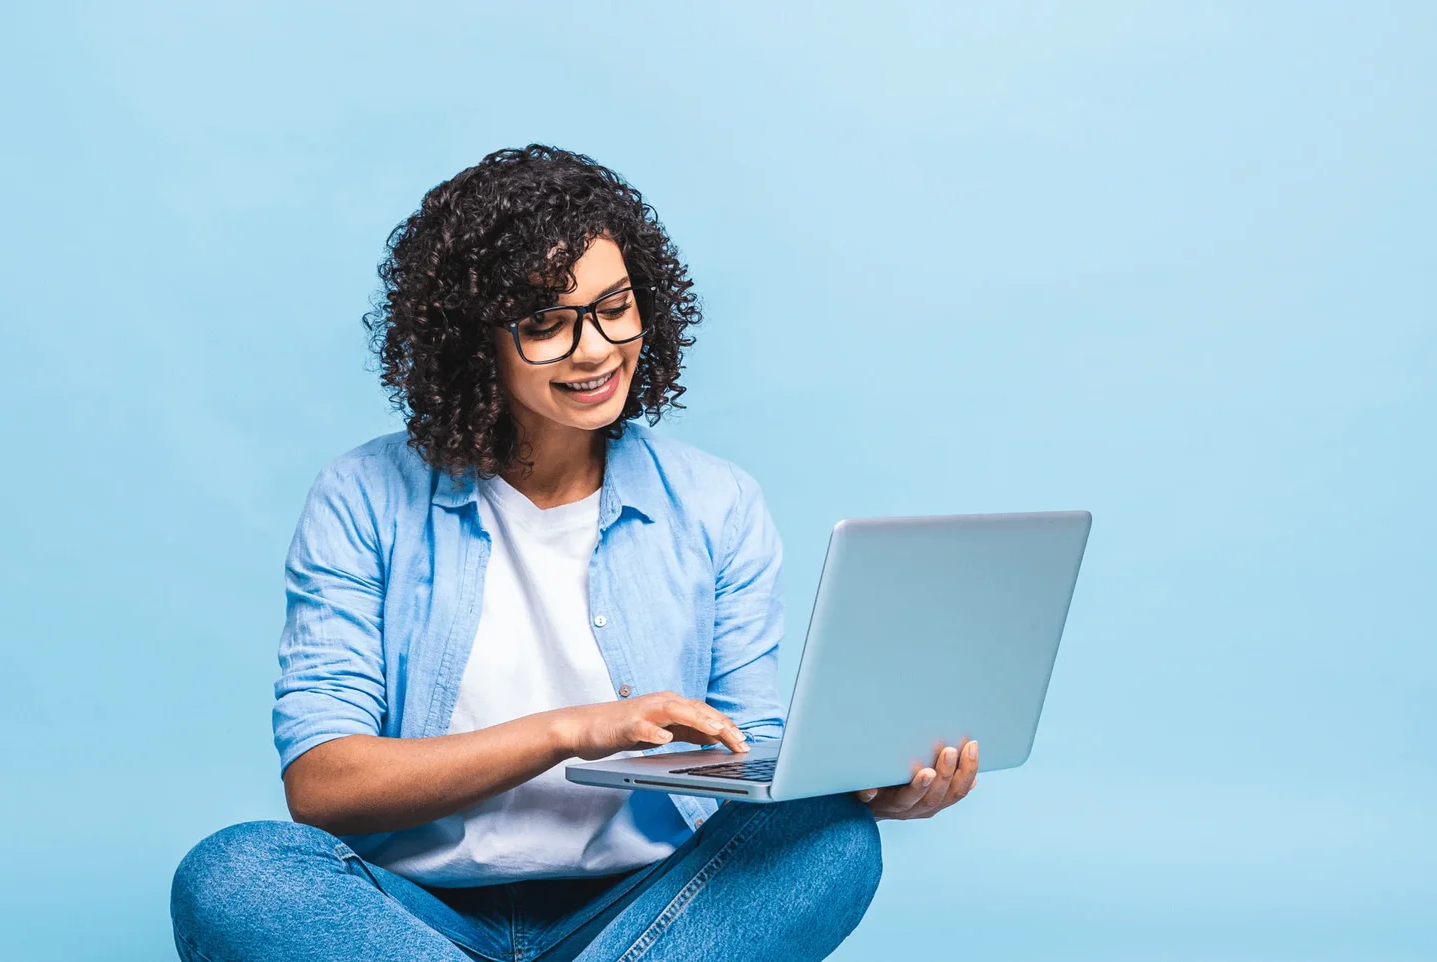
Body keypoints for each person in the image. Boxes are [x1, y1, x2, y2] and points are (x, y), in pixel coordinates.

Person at [170, 145, 980, 962]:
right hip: (410, 921)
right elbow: (324, 785)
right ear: (472, 344)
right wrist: (569, 731)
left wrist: (855, 781)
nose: (595, 351)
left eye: (614, 307)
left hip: (653, 913)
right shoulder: (362, 497)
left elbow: (749, 749)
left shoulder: (716, 503)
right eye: (545, 325)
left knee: (831, 839)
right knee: (236, 875)